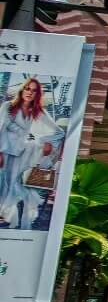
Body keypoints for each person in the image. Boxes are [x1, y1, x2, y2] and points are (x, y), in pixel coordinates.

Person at [0, 77, 63, 231]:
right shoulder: (8, 106)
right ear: (22, 90)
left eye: (34, 90)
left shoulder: (39, 112)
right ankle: (8, 219)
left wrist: (47, 141)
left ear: (37, 94)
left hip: (25, 154)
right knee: (5, 185)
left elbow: (58, 132)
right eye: (28, 88)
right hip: (7, 152)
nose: (30, 92)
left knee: (19, 187)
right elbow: (0, 128)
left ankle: (16, 222)